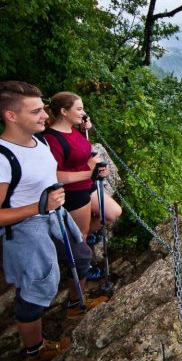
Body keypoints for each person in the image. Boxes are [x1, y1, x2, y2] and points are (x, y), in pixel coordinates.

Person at [0, 81, 79, 361]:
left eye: (42, 108)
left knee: (80, 257)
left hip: (54, 216)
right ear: (11, 116)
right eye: (35, 112)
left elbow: (48, 174)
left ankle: (75, 306)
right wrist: (39, 206)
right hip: (26, 228)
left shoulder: (39, 140)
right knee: (36, 289)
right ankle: (35, 350)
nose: (45, 115)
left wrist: (88, 174)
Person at [44, 92, 121, 288]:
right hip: (74, 193)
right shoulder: (52, 140)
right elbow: (55, 175)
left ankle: (83, 236)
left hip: (87, 186)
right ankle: (81, 277)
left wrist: (85, 129)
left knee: (113, 213)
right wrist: (89, 171)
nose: (84, 113)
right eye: (79, 109)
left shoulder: (73, 129)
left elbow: (80, 152)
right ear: (63, 111)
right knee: (82, 238)